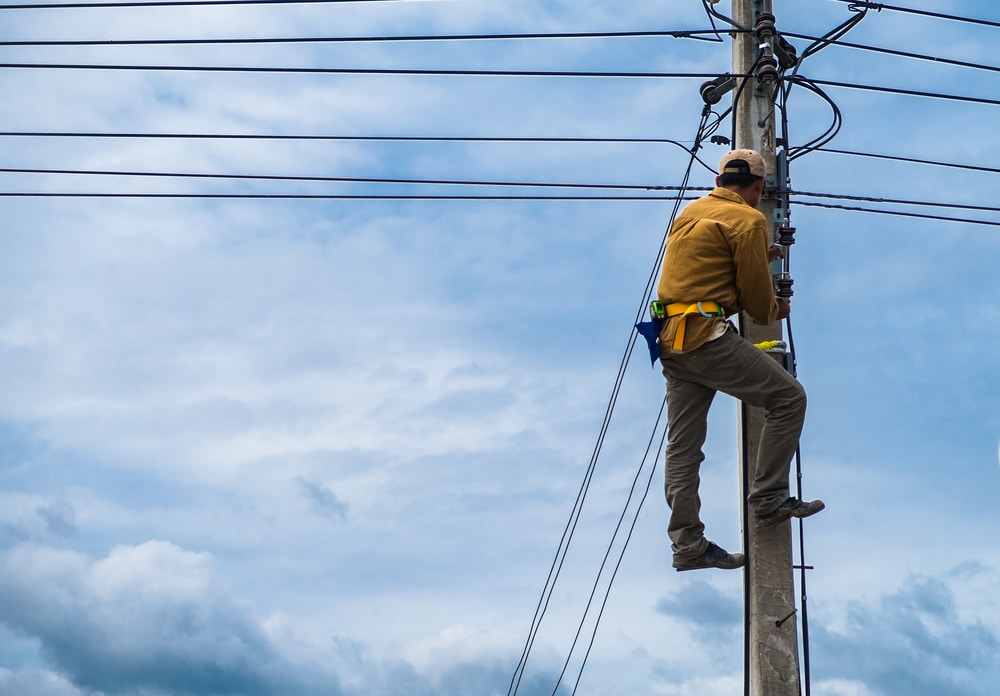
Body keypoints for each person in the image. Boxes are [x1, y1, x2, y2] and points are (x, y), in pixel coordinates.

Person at [656, 149, 824, 572]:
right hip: (706, 339)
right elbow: (755, 300)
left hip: (671, 340)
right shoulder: (749, 220)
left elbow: (705, 268)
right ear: (758, 187)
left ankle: (688, 545)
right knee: (789, 399)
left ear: (719, 181)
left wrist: (759, 255)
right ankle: (768, 499)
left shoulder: (692, 212)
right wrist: (775, 309)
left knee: (683, 448)